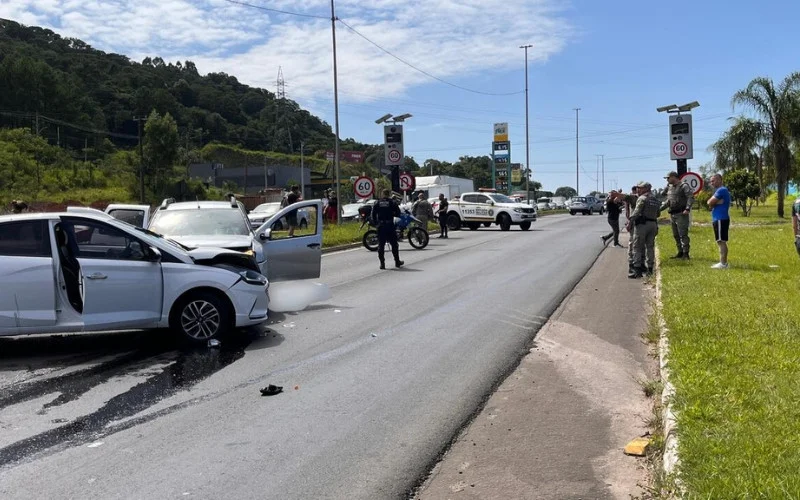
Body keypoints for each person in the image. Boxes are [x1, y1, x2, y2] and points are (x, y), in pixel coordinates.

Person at [628, 181, 662, 278]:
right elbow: (658, 214)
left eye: (640, 188)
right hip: (653, 224)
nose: (638, 189)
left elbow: (636, 211)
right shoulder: (655, 199)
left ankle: (637, 270)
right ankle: (650, 269)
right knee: (650, 247)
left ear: (646, 188)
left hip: (642, 225)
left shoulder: (642, 198)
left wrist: (630, 221)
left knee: (637, 247)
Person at [662, 171, 694, 259]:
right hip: (672, 213)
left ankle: (686, 253)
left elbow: (690, 197)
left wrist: (687, 208)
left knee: (683, 234)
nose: (667, 180)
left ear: (674, 177)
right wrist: (659, 209)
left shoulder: (683, 186)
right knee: (675, 234)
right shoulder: (670, 188)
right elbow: (668, 201)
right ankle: (680, 252)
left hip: (681, 213)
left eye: (668, 178)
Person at [370, 189, 404, 270]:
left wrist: (376, 224)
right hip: (390, 225)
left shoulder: (377, 202)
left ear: (382, 194)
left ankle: (382, 264)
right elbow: (398, 213)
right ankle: (397, 262)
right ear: (389, 194)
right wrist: (392, 214)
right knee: (394, 244)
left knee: (381, 245)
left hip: (381, 226)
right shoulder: (392, 202)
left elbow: (373, 214)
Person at [707, 173, 731, 269]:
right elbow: (710, 203)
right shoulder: (719, 191)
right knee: (720, 241)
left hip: (721, 218)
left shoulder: (722, 190)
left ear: (719, 180)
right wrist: (714, 203)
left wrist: (713, 203)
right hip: (718, 218)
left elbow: (709, 202)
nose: (711, 183)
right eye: (711, 181)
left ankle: (723, 263)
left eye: (713, 180)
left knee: (721, 241)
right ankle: (723, 263)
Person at [622, 186, 639, 273]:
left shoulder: (638, 198)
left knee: (637, 244)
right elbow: (627, 212)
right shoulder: (631, 199)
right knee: (632, 243)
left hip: (639, 224)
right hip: (632, 223)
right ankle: (631, 264)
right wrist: (629, 222)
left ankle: (637, 264)